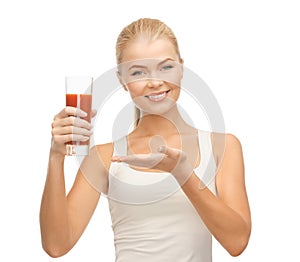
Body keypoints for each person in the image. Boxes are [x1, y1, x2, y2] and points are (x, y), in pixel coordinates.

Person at [40, 18, 251, 261]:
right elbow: (56, 245)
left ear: (182, 68)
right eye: (138, 72)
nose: (154, 81)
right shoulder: (104, 156)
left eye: (166, 67)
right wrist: (56, 156)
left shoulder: (221, 146)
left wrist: (183, 174)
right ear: (122, 81)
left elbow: (237, 242)